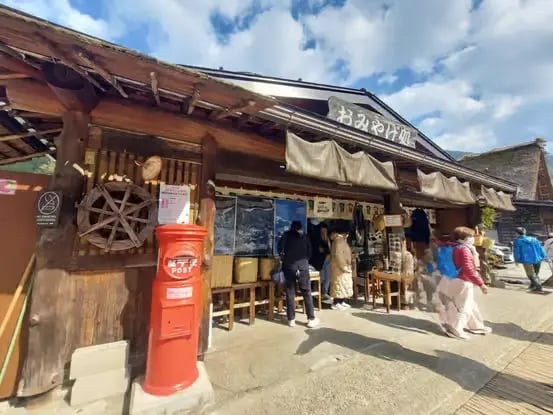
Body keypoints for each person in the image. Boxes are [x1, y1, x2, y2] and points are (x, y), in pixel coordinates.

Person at [432, 226, 491, 339]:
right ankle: (455, 329)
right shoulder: (463, 249)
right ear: (464, 238)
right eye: (471, 236)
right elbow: (468, 269)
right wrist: (481, 284)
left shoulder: (448, 246)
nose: (473, 238)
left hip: (448, 278)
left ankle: (476, 326)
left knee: (470, 303)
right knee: (464, 307)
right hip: (462, 280)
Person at [278, 221, 319, 328]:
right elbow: (310, 252)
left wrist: (286, 260)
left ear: (291, 227)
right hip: (303, 268)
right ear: (301, 228)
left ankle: (291, 319)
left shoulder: (286, 235)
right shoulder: (305, 237)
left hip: (289, 267)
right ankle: (311, 319)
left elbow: (280, 249)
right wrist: (304, 262)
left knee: (290, 293)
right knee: (306, 292)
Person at [513, 227, 546, 292]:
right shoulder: (534, 239)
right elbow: (540, 247)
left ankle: (539, 287)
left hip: (527, 260)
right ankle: (532, 286)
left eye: (515, 233)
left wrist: (516, 260)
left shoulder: (518, 241)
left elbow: (517, 252)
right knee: (535, 274)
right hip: (537, 259)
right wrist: (543, 255)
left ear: (517, 233)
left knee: (531, 275)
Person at [329, 230, 353, 310]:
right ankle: (336, 303)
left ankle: (341, 301)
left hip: (342, 267)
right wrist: (343, 266)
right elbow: (338, 255)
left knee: (343, 286)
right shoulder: (338, 241)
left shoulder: (341, 240)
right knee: (338, 286)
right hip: (339, 268)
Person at [318, 224, 332, 299]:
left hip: (328, 260)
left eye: (325, 231)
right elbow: (321, 250)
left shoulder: (328, 239)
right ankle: (320, 293)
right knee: (322, 277)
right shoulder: (319, 240)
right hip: (321, 261)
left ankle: (325, 292)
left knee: (328, 277)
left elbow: (330, 250)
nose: (323, 232)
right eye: (322, 231)